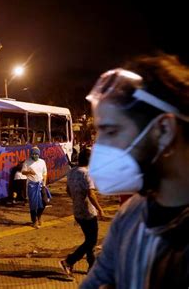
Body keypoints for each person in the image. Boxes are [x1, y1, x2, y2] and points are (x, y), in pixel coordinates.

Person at [81, 54, 189, 288]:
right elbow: (96, 281)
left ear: (163, 130)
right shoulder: (132, 214)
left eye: (111, 131)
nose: (98, 148)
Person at [59, 149, 104, 278]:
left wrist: (76, 200)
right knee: (91, 242)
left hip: (78, 211)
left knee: (89, 240)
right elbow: (91, 194)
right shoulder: (87, 174)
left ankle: (91, 267)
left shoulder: (71, 172)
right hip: (88, 212)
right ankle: (68, 261)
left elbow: (68, 190)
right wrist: (100, 209)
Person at [22, 146, 48, 228]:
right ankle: (34, 221)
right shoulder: (27, 162)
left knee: (44, 202)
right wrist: (28, 172)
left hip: (41, 184)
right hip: (31, 185)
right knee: (33, 204)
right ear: (31, 154)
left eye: (36, 154)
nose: (35, 156)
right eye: (33, 154)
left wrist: (44, 184)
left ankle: (39, 216)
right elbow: (23, 172)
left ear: (39, 154)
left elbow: (45, 173)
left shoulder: (42, 162)